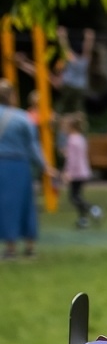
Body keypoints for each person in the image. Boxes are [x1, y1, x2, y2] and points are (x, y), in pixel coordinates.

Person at [0, 81, 51, 261]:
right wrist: (45, 166)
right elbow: (33, 146)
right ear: (12, 96)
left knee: (5, 206)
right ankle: (30, 247)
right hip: (19, 166)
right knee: (26, 205)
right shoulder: (22, 118)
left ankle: (10, 248)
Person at [60, 112, 101, 230]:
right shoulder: (81, 138)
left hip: (76, 173)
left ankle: (93, 209)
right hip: (83, 171)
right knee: (78, 196)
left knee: (74, 197)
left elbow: (72, 159)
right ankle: (83, 219)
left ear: (70, 127)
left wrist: (68, 172)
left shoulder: (72, 140)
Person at [55, 27, 94, 113]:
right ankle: (77, 116)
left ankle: (58, 114)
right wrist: (89, 38)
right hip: (80, 87)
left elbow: (65, 47)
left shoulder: (72, 59)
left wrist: (61, 36)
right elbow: (87, 49)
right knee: (77, 107)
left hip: (68, 84)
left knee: (63, 104)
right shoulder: (84, 60)